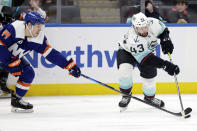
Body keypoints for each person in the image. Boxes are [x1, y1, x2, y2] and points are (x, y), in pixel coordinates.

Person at [0, 11, 81, 113]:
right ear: (29, 24)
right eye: (37, 26)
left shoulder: (39, 39)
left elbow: (51, 54)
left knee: (28, 73)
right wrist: (13, 64)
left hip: (9, 58)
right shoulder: (14, 28)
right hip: (4, 56)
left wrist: (69, 65)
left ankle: (17, 100)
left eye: (41, 26)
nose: (40, 29)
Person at [117, 12, 179, 112]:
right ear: (134, 27)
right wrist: (165, 65)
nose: (144, 30)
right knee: (124, 71)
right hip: (126, 52)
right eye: (140, 28)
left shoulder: (152, 22)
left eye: (145, 27)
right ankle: (126, 95)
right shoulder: (133, 39)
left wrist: (165, 39)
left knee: (150, 76)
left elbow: (163, 29)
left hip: (146, 53)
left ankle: (149, 98)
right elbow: (147, 59)